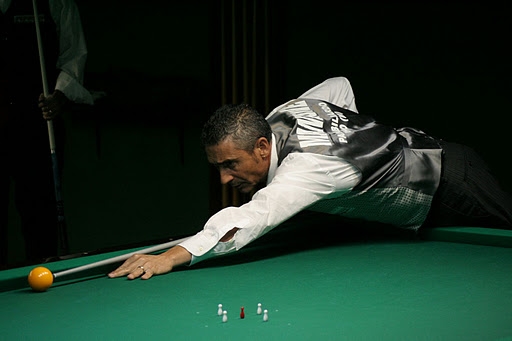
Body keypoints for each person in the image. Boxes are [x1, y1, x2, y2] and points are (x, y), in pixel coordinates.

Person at [108, 76, 512, 280]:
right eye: (218, 166)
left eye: (230, 164)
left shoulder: (307, 170)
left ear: (263, 148)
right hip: (438, 156)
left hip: (452, 185)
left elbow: (250, 219)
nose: (225, 178)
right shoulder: (287, 113)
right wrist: (351, 136)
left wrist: (171, 257)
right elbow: (340, 85)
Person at [0, 0, 93, 266]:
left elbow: (74, 56)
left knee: (38, 213)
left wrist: (59, 96)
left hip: (38, 123)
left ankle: (43, 279)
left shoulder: (57, 3)